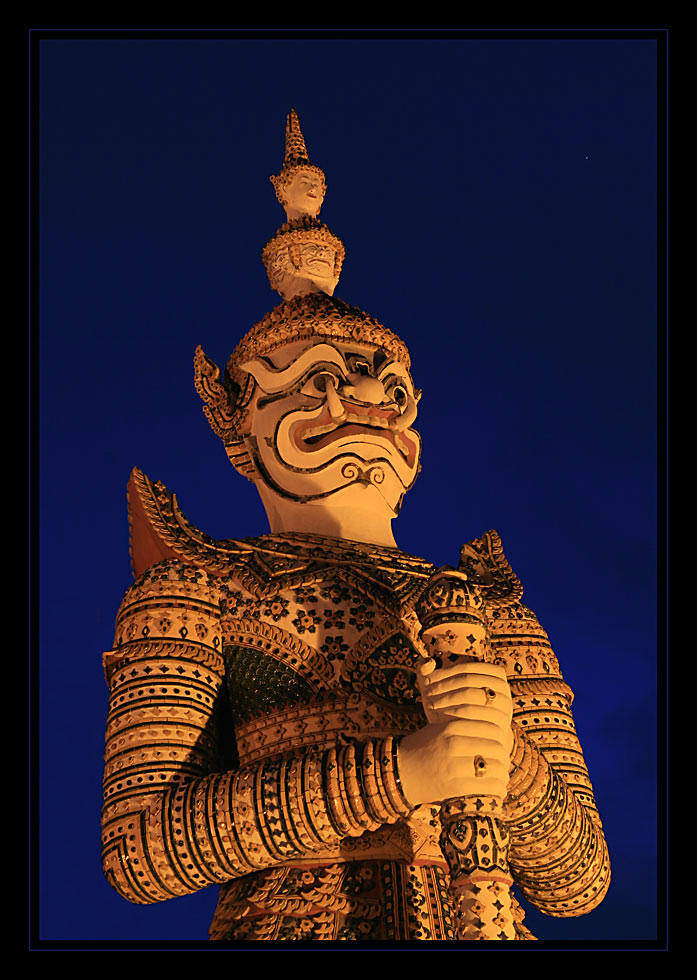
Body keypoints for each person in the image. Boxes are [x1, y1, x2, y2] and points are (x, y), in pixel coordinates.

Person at [101, 112, 610, 942]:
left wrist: (507, 763)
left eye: (390, 388)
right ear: (238, 425)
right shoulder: (192, 588)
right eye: (314, 383)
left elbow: (579, 878)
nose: (363, 403)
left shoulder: (491, 610)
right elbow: (141, 854)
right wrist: (404, 771)